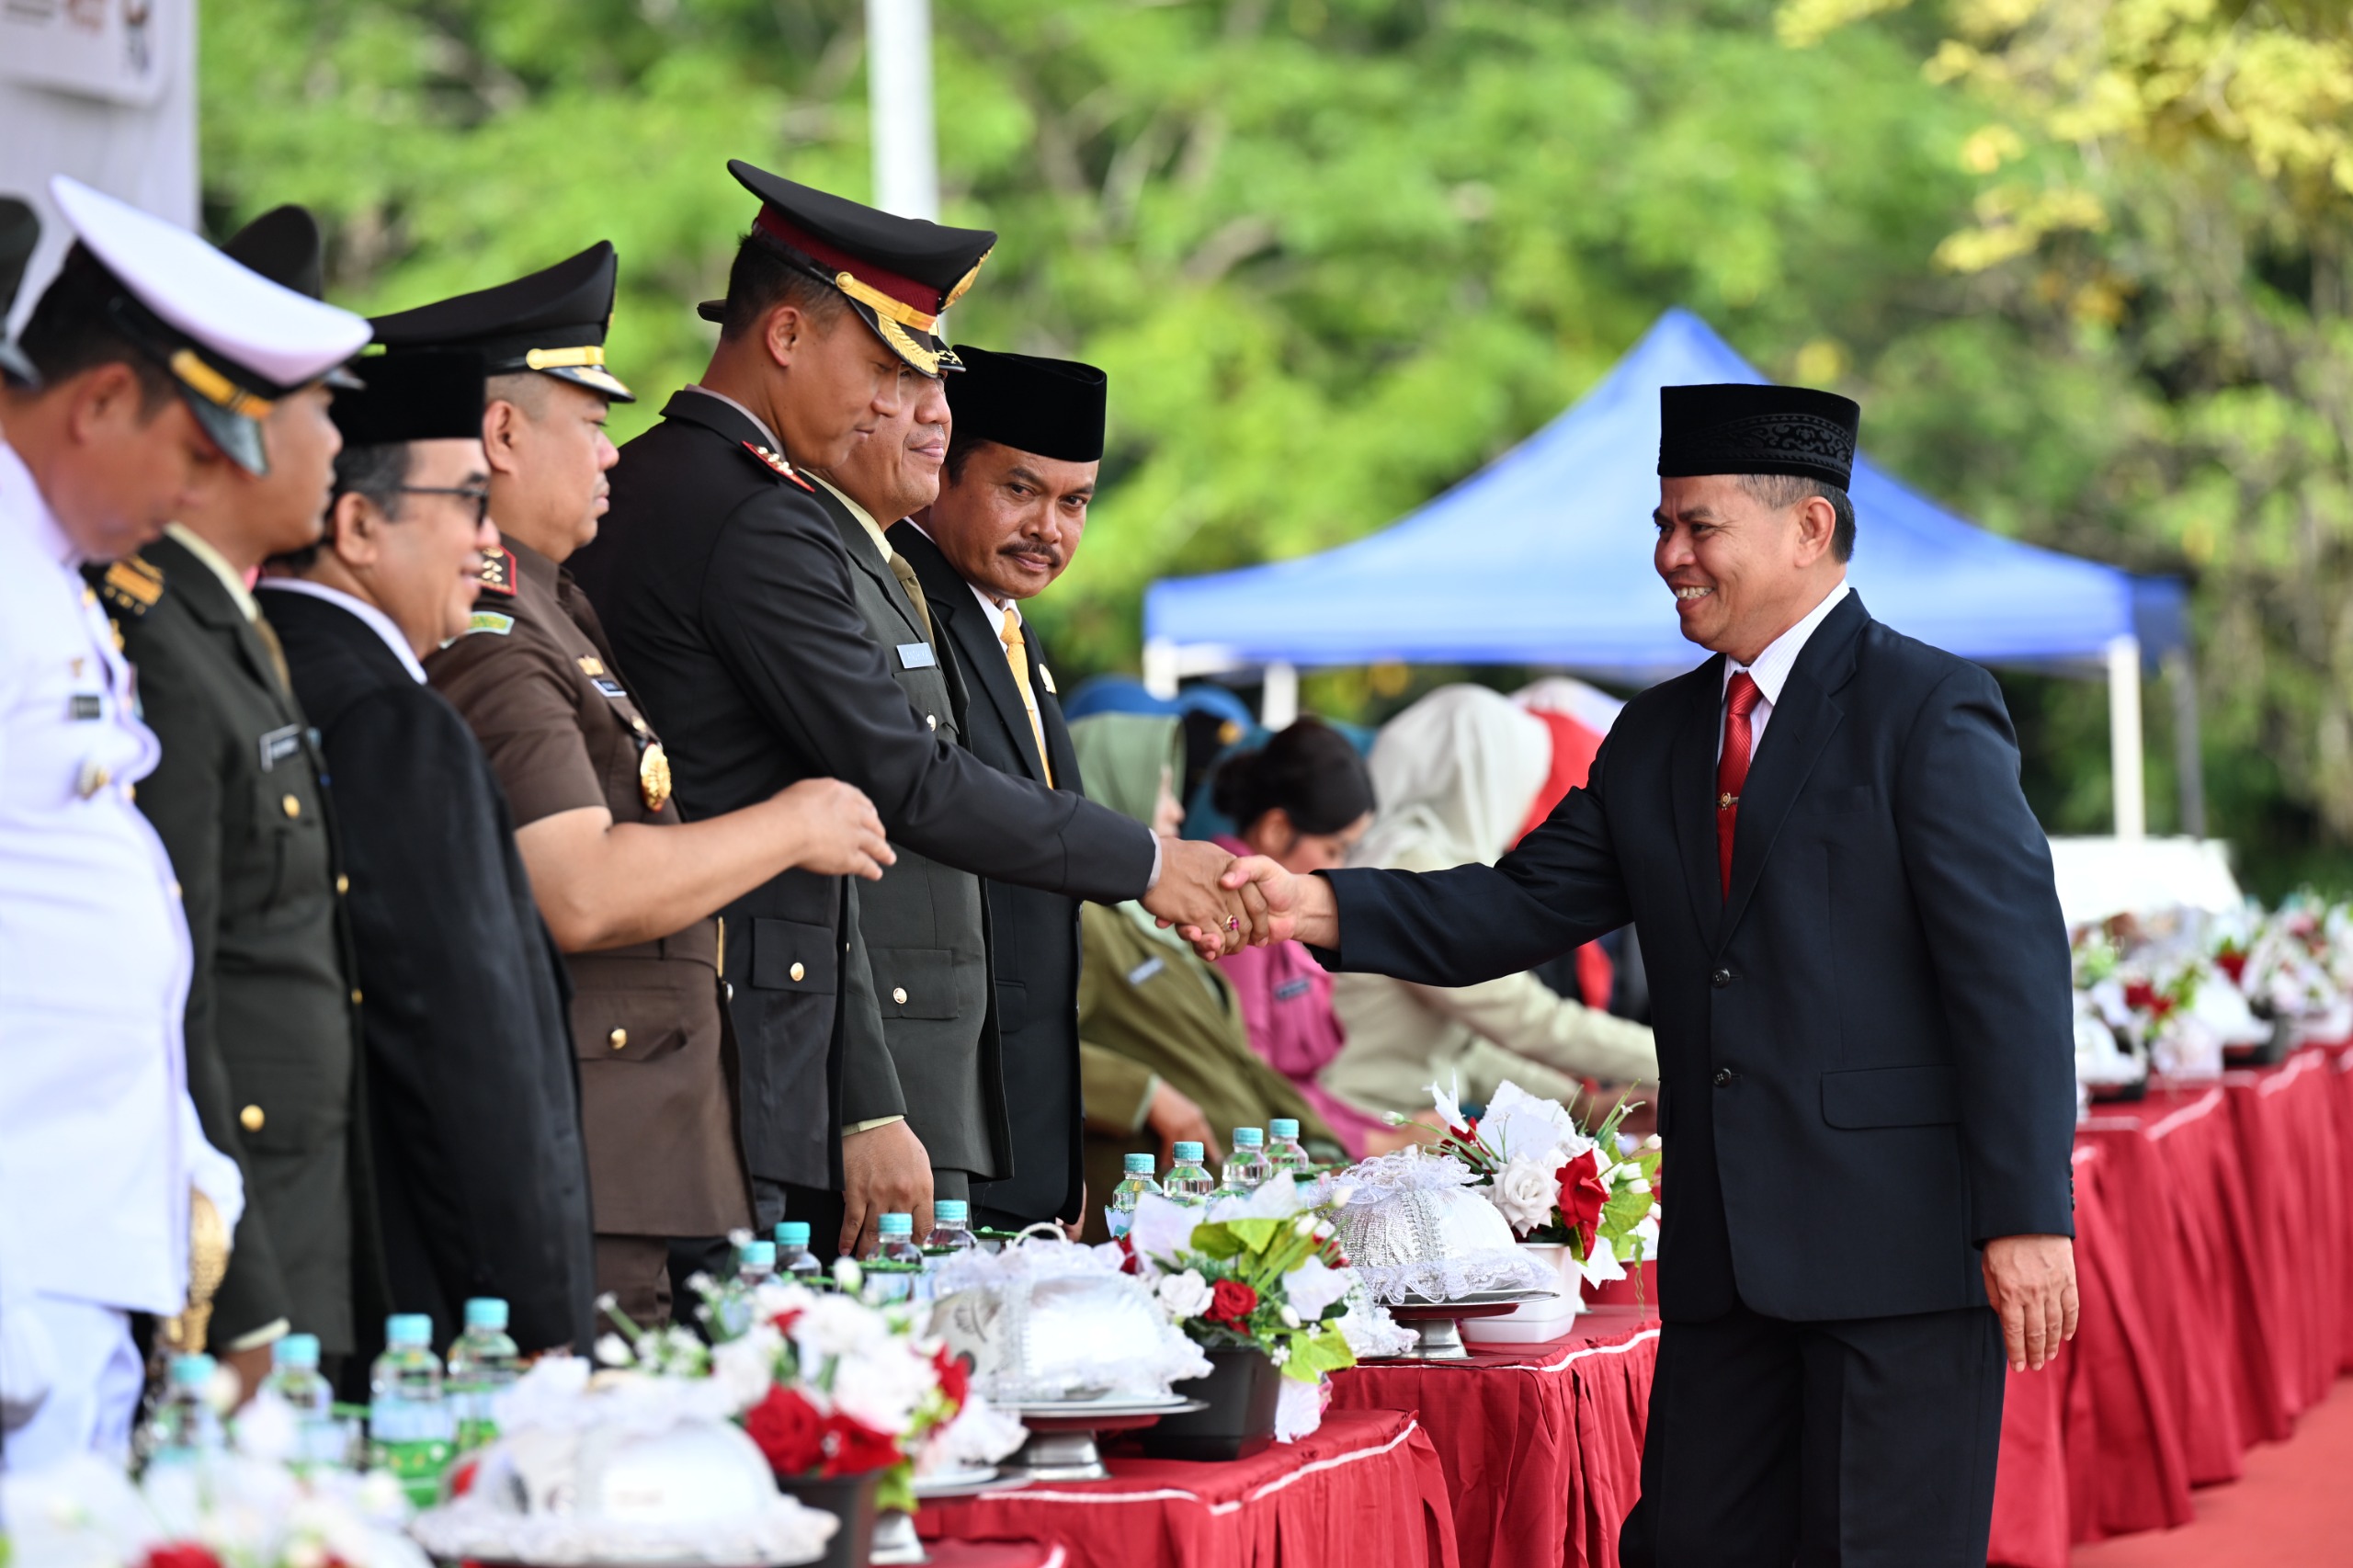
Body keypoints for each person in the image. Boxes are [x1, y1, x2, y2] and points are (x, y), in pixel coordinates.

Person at [1233, 382, 2081, 1565]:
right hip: (1726, 1270)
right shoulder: (1658, 733)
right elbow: (1515, 906)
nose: (1667, 555)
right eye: (1661, 524)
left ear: (1808, 529)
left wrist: (2028, 1215)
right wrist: (1315, 903)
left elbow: (2013, 979)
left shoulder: (1927, 708)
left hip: (1897, 1263)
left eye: (1699, 526)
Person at [571, 164, 1259, 1259]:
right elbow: (899, 781)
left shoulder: (707, 490)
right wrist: (1144, 862)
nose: (902, 404)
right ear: (787, 335)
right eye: (885, 364)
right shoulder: (752, 519)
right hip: (757, 1038)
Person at [377, 245, 892, 1326]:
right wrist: (791, 821)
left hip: (643, 1138)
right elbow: (580, 886)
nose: (614, 453)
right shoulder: (492, 627)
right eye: (592, 420)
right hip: (596, 1141)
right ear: (503, 433)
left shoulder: (554, 605)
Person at [1, 176, 365, 1466]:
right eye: (200, 449)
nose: (207, 488)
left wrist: (198, 1202)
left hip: (96, 1245)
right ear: (100, 400)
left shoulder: (53, 583)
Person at [97, 205, 385, 1397]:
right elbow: (184, 981)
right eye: (323, 407)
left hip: (297, 1196)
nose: (338, 441)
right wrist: (242, 1287)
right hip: (235, 1225)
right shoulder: (157, 635)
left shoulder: (225, 621)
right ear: (239, 426)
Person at [257, 351, 598, 1356]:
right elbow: (463, 1043)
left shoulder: (280, 669)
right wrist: (531, 1316)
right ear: (358, 525)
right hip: (422, 1291)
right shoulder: (390, 717)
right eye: (465, 504)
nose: (490, 544)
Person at [892, 344, 1105, 1231]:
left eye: (1074, 502)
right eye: (1020, 490)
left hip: (1026, 1127)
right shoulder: (901, 603)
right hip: (938, 1117)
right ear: (942, 470)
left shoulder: (1011, 629)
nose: (1048, 529)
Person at [1316, 686, 1658, 1120]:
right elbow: (1526, 1018)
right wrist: (1687, 1061)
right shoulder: (1413, 870)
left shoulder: (1401, 859)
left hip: (1390, 1121)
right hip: (1363, 1128)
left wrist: (1583, 1106)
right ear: (1485, 780)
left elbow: (1464, 1049)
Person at [1068, 714, 1339, 1241]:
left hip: (1231, 1205)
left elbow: (1239, 1064)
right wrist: (1146, 1095)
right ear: (1108, 791)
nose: (1176, 811)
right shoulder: (1084, 920)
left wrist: (1322, 1146)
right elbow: (1022, 1049)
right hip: (1154, 1223)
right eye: (1161, 788)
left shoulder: (1156, 925)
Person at [1204, 719, 1390, 1156]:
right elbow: (1255, 1076)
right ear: (1276, 831)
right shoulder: (1237, 904)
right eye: (1333, 851)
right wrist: (1377, 1140)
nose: (1340, 869)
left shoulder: (1276, 910)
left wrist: (1386, 1128)